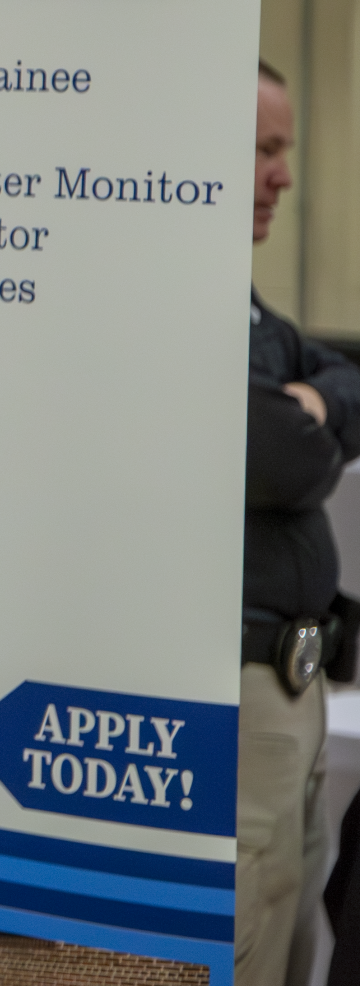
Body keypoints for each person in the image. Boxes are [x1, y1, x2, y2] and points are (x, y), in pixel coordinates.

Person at [240, 58, 360, 986]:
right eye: (263, 149)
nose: (284, 175)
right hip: (242, 700)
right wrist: (311, 418)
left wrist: (313, 401)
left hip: (300, 686)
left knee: (297, 925)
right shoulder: (174, 308)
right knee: (250, 933)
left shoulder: (254, 315)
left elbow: (349, 381)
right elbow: (285, 456)